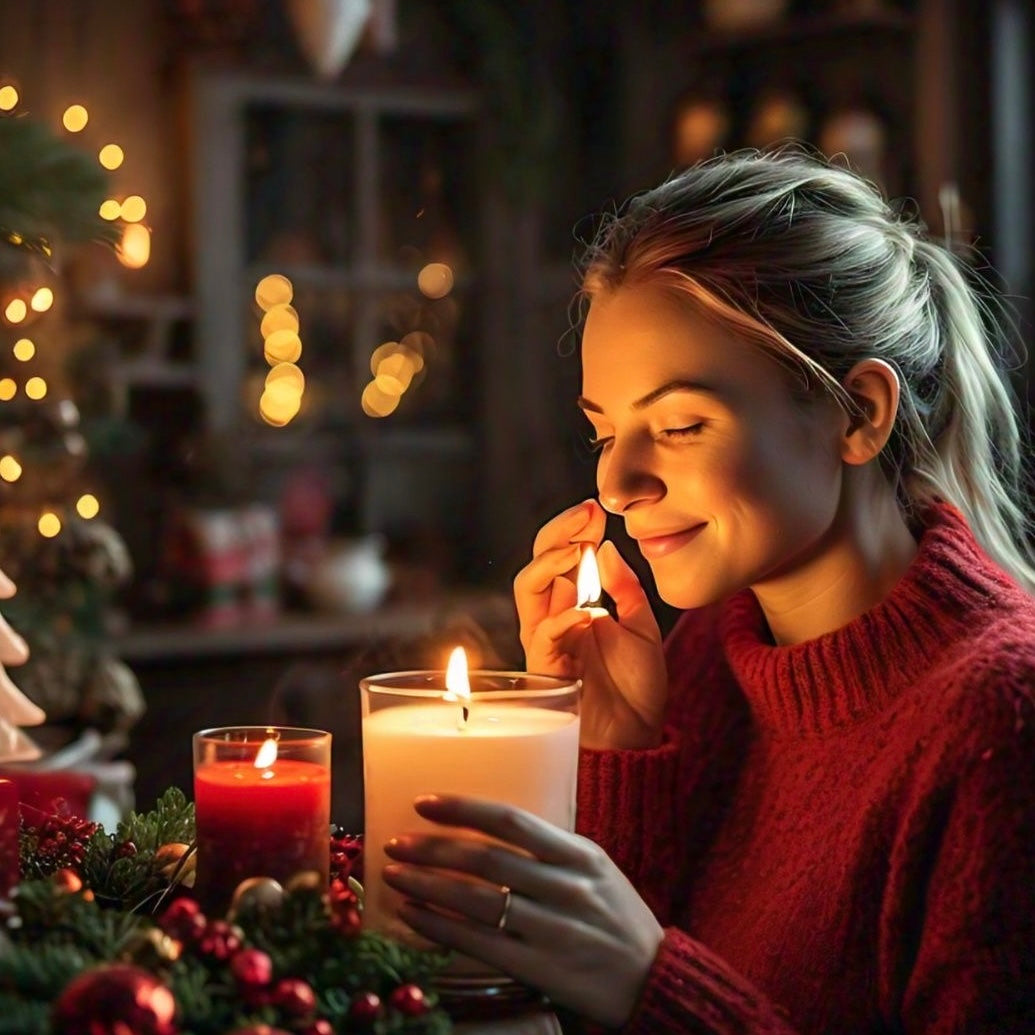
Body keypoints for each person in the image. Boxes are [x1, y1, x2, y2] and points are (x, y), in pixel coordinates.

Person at [381, 148, 1035, 1033]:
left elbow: (639, 985)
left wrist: (654, 984)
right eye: (603, 431)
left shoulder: (1002, 716)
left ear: (858, 412)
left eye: (681, 424)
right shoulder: (700, 661)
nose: (615, 484)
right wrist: (614, 746)